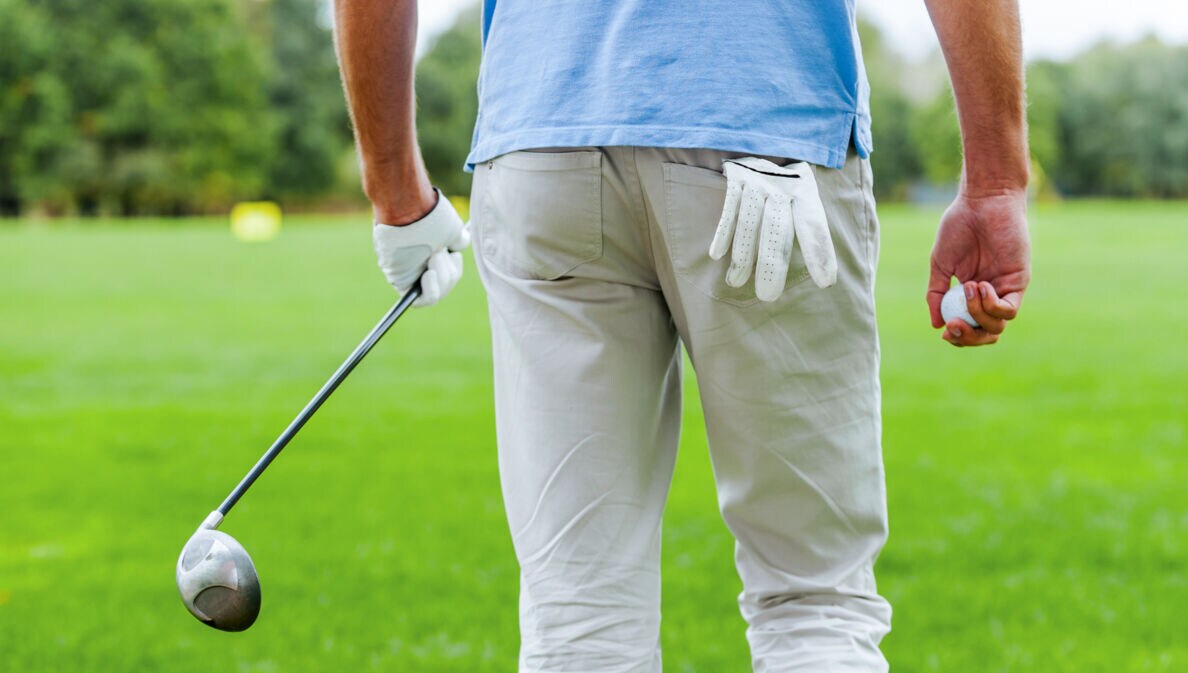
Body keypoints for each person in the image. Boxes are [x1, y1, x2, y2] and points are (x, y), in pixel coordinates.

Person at [333, 1, 1031, 670]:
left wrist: (396, 194)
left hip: (545, 136)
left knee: (579, 618)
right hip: (769, 123)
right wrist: (995, 183)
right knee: (813, 599)